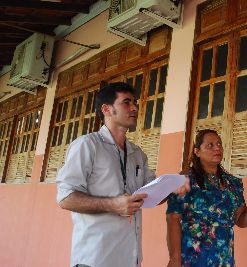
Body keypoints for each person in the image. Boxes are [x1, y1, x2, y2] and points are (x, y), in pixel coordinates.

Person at [56, 82, 188, 267]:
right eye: (126, 102)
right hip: (96, 259)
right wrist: (113, 205)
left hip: (131, 258)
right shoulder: (87, 145)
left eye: (135, 102)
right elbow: (65, 198)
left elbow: (151, 197)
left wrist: (173, 186)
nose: (134, 108)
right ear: (106, 109)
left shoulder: (137, 153)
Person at [166, 129, 247, 267]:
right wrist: (174, 259)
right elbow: (173, 219)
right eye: (210, 145)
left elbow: (240, 220)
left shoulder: (233, 183)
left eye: (219, 144)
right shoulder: (184, 180)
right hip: (191, 259)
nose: (217, 148)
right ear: (197, 152)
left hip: (223, 260)